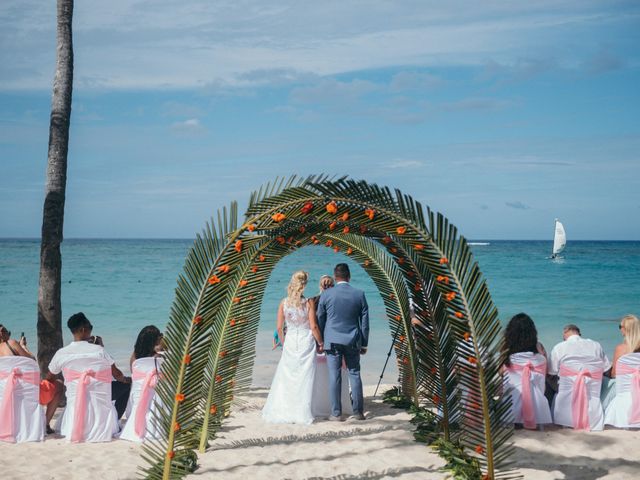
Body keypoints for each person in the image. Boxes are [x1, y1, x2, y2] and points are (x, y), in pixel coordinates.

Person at [262, 271, 324, 424]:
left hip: (290, 341)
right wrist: (321, 343)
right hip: (306, 341)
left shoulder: (284, 303)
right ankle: (303, 411)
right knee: (305, 376)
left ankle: (285, 409)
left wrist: (284, 343)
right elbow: (314, 326)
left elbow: (278, 328)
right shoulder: (308, 302)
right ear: (305, 284)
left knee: (288, 374)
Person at [47, 313, 132, 424]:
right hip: (98, 398)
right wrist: (126, 380)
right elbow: (117, 375)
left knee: (56, 383)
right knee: (126, 386)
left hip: (75, 398)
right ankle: (114, 420)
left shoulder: (61, 353)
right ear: (83, 330)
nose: (91, 330)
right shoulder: (99, 351)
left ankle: (46, 422)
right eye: (90, 327)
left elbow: (49, 377)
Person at [317, 263, 370, 421]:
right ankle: (358, 412)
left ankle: (336, 413)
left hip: (332, 340)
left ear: (335, 276)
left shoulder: (327, 295)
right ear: (349, 276)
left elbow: (320, 318)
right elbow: (365, 323)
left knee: (335, 375)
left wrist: (321, 340)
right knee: (354, 373)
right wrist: (364, 343)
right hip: (353, 340)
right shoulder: (359, 294)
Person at [1, 325, 63, 433]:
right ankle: (45, 424)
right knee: (58, 384)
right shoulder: (11, 343)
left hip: (5, 393)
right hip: (27, 392)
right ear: (2, 332)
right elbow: (32, 361)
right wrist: (23, 347)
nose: (9, 334)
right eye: (7, 332)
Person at [500, 313, 552, 428]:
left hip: (511, 406)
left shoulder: (507, 353)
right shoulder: (540, 355)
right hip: (538, 405)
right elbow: (545, 373)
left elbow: (500, 374)